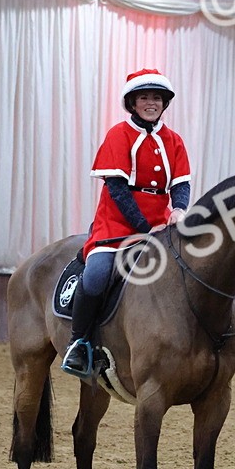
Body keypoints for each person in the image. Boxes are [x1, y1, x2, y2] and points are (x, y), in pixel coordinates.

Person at [61, 69, 192, 377]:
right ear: (133, 103)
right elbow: (117, 191)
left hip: (162, 222)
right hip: (116, 225)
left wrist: (180, 209)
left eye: (156, 98)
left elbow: (181, 183)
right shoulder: (118, 134)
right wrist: (145, 229)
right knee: (95, 277)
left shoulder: (174, 140)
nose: (151, 103)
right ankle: (79, 343)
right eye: (144, 97)